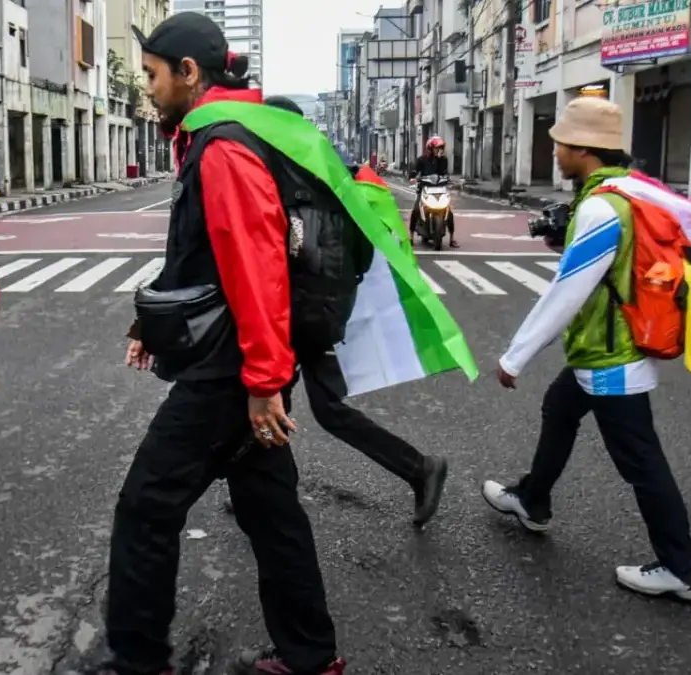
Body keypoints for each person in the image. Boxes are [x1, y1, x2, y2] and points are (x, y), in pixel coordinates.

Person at [72, 13, 346, 675]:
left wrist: (262, 381)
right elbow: (204, 258)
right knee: (270, 508)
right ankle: (312, 656)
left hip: (230, 372)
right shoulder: (219, 137)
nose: (148, 90)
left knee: (146, 504)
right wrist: (151, 327)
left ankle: (138, 660)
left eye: (152, 75)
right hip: (237, 361)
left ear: (189, 73)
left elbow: (256, 267)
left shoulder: (223, 147)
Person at [481, 97, 691, 602]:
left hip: (612, 359)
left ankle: (683, 568)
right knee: (559, 407)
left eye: (561, 143)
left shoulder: (602, 206)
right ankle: (532, 499)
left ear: (583, 148)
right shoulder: (626, 194)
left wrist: (515, 356)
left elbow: (569, 290)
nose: (556, 152)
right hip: (605, 349)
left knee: (642, 462)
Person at [205, 94, 448, 528]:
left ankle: (417, 468)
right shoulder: (332, 173)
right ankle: (261, 488)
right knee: (304, 403)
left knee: (272, 397)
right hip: (320, 308)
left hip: (299, 312)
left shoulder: (289, 175)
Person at [408, 136, 457, 248]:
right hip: (425, 189)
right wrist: (413, 177)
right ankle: (410, 236)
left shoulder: (443, 160)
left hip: (440, 189)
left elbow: (443, 173)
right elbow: (414, 172)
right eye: (437, 148)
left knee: (449, 212)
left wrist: (439, 160)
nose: (439, 150)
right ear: (430, 149)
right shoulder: (422, 159)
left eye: (441, 148)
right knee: (416, 209)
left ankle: (452, 238)